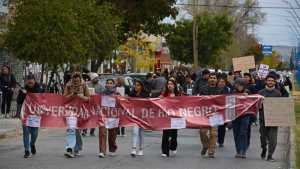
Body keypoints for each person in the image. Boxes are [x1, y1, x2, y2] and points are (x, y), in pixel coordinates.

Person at [64, 72, 90, 158]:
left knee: (77, 130)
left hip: (81, 110)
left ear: (80, 80)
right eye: (74, 81)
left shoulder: (84, 85)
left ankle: (77, 147)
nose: (75, 83)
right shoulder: (68, 86)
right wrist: (72, 94)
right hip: (70, 110)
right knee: (71, 129)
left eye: (77, 81)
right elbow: (64, 99)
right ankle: (69, 149)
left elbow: (88, 98)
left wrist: (80, 96)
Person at [17, 75, 43, 158]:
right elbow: (19, 101)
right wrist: (22, 93)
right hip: (25, 113)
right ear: (26, 82)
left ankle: (32, 144)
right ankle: (27, 150)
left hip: (35, 113)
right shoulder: (23, 89)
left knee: (34, 133)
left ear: (34, 81)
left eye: (31, 82)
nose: (30, 84)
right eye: (28, 82)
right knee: (26, 132)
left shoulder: (40, 88)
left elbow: (44, 99)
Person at [198, 73, 223, 158]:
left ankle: (211, 151)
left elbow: (224, 101)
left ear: (216, 80)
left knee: (214, 133)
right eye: (211, 78)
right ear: (208, 79)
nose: (212, 79)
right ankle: (206, 145)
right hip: (205, 114)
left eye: (214, 78)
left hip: (215, 114)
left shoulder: (220, 90)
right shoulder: (203, 89)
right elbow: (199, 101)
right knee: (202, 132)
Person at [258, 74, 282, 162]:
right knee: (263, 139)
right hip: (263, 119)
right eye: (269, 80)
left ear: (274, 82)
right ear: (266, 81)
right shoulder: (261, 92)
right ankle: (264, 148)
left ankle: (270, 155)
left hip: (274, 120)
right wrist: (260, 106)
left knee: (273, 140)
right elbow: (257, 106)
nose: (270, 82)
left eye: (272, 81)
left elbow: (281, 106)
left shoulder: (278, 93)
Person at [231, 78, 254, 159]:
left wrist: (248, 97)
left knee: (243, 132)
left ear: (244, 85)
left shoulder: (248, 92)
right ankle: (238, 150)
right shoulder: (233, 92)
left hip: (245, 115)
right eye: (238, 84)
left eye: (241, 85)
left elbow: (253, 103)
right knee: (236, 133)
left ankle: (243, 151)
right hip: (235, 115)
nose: (239, 86)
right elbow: (229, 104)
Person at [98, 79, 118, 158]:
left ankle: (112, 149)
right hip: (103, 115)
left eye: (111, 83)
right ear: (105, 84)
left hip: (113, 116)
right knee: (102, 132)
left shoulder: (117, 93)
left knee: (112, 134)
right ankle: (102, 151)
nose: (109, 84)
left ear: (113, 85)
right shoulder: (102, 93)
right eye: (107, 83)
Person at [160, 79, 180, 157]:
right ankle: (165, 151)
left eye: (171, 84)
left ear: (174, 85)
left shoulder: (178, 94)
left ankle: (173, 146)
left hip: (175, 117)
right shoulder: (164, 94)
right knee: (165, 133)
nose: (169, 85)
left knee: (174, 134)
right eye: (168, 84)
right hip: (166, 117)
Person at [129, 79, 149, 157]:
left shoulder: (145, 94)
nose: (136, 86)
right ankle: (133, 149)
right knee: (135, 131)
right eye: (135, 85)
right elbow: (127, 101)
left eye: (138, 85)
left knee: (141, 133)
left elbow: (149, 103)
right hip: (134, 115)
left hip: (143, 116)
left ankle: (141, 149)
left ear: (141, 86)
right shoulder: (132, 93)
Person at [216, 76, 231, 148]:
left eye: (223, 82)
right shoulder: (215, 89)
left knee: (222, 126)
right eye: (220, 82)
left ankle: (220, 141)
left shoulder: (228, 89)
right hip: (215, 109)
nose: (222, 83)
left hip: (224, 110)